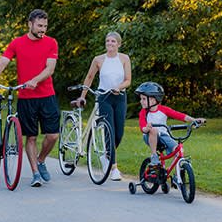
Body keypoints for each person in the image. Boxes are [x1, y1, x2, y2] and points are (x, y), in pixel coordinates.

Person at [0, 9, 60, 187]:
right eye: (40, 26)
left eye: (45, 26)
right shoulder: (17, 43)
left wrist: (34, 80)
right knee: (31, 137)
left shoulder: (51, 42)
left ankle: (41, 160)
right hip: (26, 97)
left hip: (47, 95)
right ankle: (35, 172)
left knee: (53, 135)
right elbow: (3, 61)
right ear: (30, 24)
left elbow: (50, 69)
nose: (43, 29)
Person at [76, 31, 131, 181]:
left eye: (113, 41)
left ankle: (106, 156)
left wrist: (118, 88)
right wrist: (82, 96)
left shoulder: (124, 59)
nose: (110, 44)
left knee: (119, 133)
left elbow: (128, 80)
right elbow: (89, 77)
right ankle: (113, 168)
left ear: (118, 44)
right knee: (109, 131)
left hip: (119, 97)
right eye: (108, 41)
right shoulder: (98, 60)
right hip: (103, 97)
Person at [134, 81, 206, 167]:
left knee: (178, 151)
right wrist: (147, 128)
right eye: (141, 99)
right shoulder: (143, 112)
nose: (141, 101)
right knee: (153, 129)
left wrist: (194, 120)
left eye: (143, 99)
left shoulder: (163, 109)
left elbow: (179, 115)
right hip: (150, 136)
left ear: (153, 100)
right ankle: (153, 156)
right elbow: (142, 128)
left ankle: (177, 176)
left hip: (164, 135)